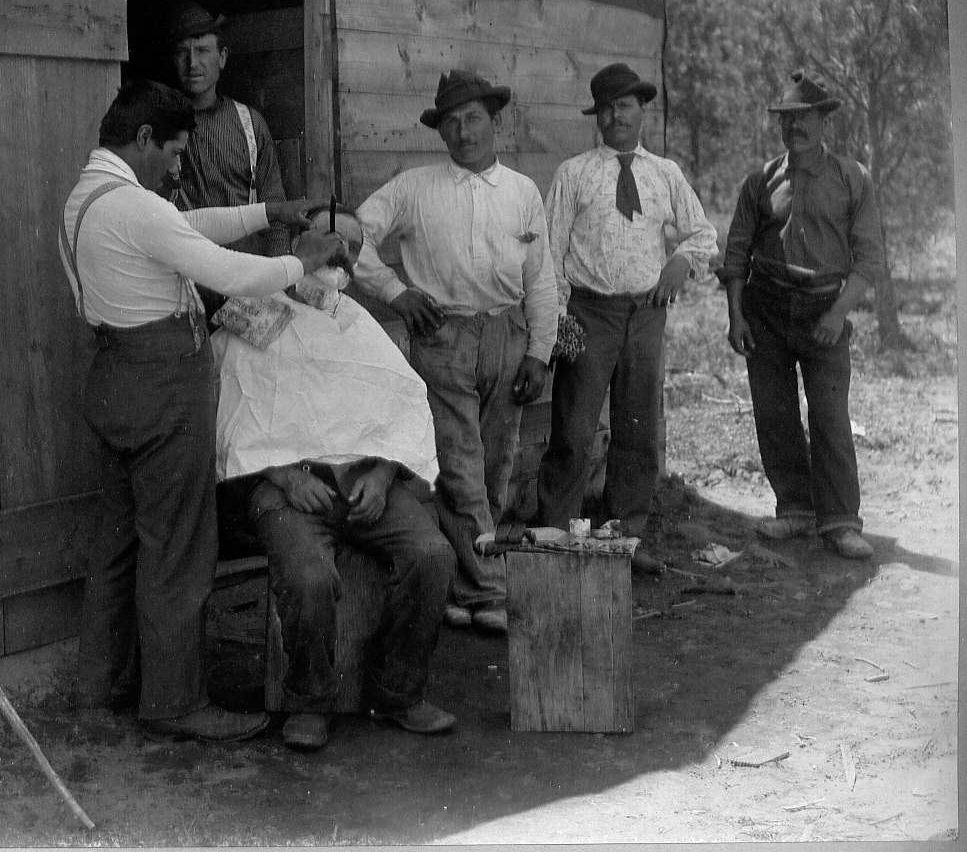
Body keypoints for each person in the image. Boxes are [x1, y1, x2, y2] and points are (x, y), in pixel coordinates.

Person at [58, 78, 339, 741]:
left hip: (114, 380)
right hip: (163, 388)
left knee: (119, 544)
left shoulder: (89, 196)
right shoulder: (134, 206)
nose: (178, 167)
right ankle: (175, 701)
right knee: (178, 549)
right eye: (174, 153)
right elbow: (231, 274)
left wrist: (266, 212)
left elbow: (181, 229)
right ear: (145, 138)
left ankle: (104, 684)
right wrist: (301, 259)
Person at [213, 206, 457, 751]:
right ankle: (310, 699)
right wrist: (281, 474)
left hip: (363, 483)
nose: (340, 254)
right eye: (330, 239)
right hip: (286, 488)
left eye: (352, 245)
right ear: (299, 241)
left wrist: (384, 469)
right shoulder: (254, 311)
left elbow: (403, 402)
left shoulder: (357, 321)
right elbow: (228, 406)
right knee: (309, 578)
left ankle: (398, 694)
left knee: (433, 556)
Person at [354, 70, 559, 634]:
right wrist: (396, 292)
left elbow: (541, 279)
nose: (463, 131)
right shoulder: (414, 187)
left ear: (496, 123)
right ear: (440, 131)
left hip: (507, 335)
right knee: (460, 467)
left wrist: (540, 352)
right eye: (452, 122)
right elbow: (351, 236)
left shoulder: (522, 193)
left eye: (473, 119)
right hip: (442, 336)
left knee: (495, 466)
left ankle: (459, 588)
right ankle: (490, 591)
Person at [536, 62, 718, 574]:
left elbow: (703, 234)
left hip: (647, 314)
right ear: (598, 116)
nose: (618, 116)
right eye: (609, 108)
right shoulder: (574, 174)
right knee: (573, 428)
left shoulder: (666, 174)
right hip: (589, 312)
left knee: (637, 430)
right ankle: (555, 541)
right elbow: (549, 252)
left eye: (627, 105)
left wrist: (680, 261)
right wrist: (558, 317)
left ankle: (623, 539)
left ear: (642, 110)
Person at [720, 70, 883, 560]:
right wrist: (736, 316)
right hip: (766, 308)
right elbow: (736, 254)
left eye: (806, 118)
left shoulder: (852, 178)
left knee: (830, 414)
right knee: (775, 413)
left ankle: (840, 520)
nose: (796, 128)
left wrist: (837, 314)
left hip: (824, 310)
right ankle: (795, 508)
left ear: (824, 121)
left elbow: (870, 258)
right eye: (787, 120)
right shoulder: (760, 182)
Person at [168, 0, 291, 319]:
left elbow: (275, 205)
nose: (192, 62)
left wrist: (280, 281)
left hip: (247, 288)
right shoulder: (158, 129)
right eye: (183, 52)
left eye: (203, 51)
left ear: (222, 58)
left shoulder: (251, 124)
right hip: (185, 290)